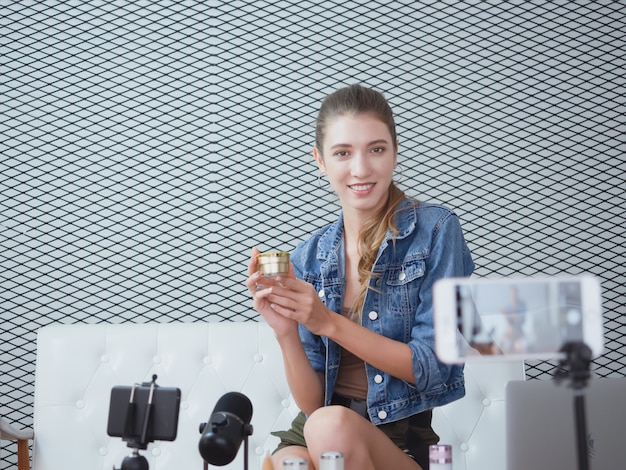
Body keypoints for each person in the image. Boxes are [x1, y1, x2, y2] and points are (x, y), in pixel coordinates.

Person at [246, 84, 474, 470]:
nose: (361, 169)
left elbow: (433, 368)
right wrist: (285, 332)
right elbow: (313, 404)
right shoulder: (308, 258)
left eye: (377, 149)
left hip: (399, 440)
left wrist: (327, 322)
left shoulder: (436, 232)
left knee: (330, 427)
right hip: (317, 428)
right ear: (320, 161)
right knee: (289, 460)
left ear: (395, 151)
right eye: (342, 153)